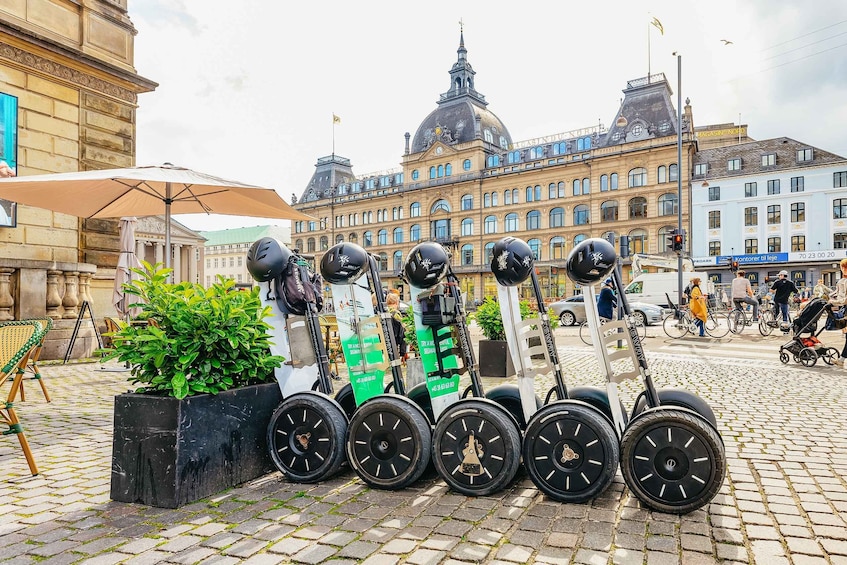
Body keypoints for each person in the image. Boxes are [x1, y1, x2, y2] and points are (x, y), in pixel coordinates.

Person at [828, 258, 847, 367]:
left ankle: (841, 360)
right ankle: (841, 360)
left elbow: (845, 299)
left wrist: (833, 301)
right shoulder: (842, 281)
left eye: (842, 267)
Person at [385, 291, 407, 361]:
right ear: (397, 302)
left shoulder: (384, 312)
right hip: (394, 344)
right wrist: (402, 352)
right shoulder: (396, 314)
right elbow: (402, 332)